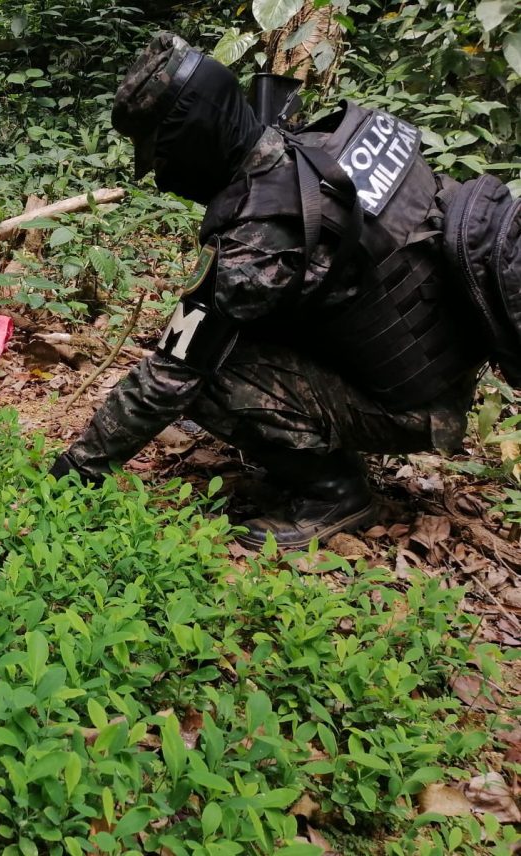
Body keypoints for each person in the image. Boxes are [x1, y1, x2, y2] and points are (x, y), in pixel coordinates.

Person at [49, 31, 489, 549]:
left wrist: (74, 471)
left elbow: (171, 372)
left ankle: (335, 494)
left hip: (414, 404)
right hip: (440, 363)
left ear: (190, 139)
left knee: (209, 372)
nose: (164, 178)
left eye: (162, 156)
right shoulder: (324, 144)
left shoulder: (261, 233)